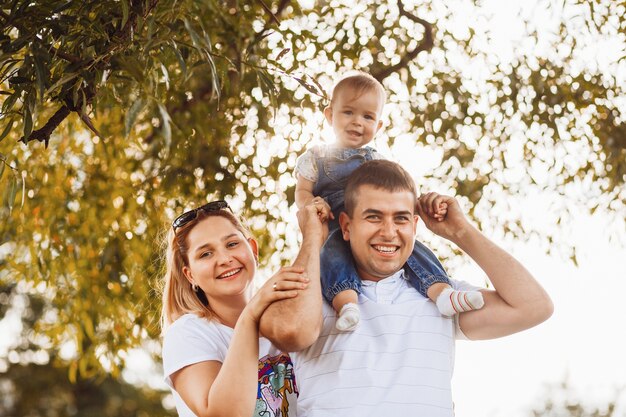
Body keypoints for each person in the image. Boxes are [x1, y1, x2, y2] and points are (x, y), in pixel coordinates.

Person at [261, 159, 554, 416]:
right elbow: (289, 331)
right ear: (347, 226)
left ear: (415, 226)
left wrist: (460, 231)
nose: (389, 232)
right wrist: (313, 237)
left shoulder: (442, 296)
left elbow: (533, 307)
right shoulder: (313, 296)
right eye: (373, 217)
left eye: (400, 218)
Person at [294, 71, 483, 331]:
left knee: (413, 249)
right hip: (335, 221)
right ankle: (346, 304)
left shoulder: (378, 161)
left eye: (368, 117)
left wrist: (426, 203)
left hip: (371, 220)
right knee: (331, 254)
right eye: (348, 112)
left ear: (379, 126)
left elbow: (398, 196)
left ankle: (442, 293)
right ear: (329, 115)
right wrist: (311, 204)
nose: (357, 122)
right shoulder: (316, 157)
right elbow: (302, 190)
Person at [159, 200, 324, 417]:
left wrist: (315, 232)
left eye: (232, 244)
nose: (225, 259)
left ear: (253, 249)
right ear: (190, 275)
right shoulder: (187, 333)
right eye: (205, 254)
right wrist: (250, 315)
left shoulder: (287, 318)